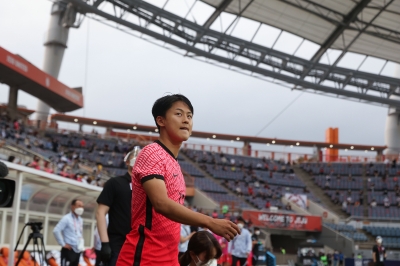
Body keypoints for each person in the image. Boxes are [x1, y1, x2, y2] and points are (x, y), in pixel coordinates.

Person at [117, 94, 240, 266]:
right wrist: (210, 222)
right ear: (161, 120)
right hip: (145, 257)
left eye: (189, 116)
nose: (186, 120)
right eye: (179, 114)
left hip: (168, 257)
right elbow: (161, 203)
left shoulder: (173, 163)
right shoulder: (152, 153)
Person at [96, 150, 136, 266]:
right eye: (135, 157)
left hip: (140, 246)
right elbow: (100, 213)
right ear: (127, 162)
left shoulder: (148, 188)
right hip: (117, 246)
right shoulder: (114, 183)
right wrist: (105, 243)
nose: (138, 159)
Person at [53, 199, 85, 266]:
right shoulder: (66, 218)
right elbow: (56, 230)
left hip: (78, 250)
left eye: (82, 206)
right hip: (69, 249)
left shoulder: (80, 220)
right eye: (79, 206)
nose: (81, 208)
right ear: (73, 206)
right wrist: (63, 244)